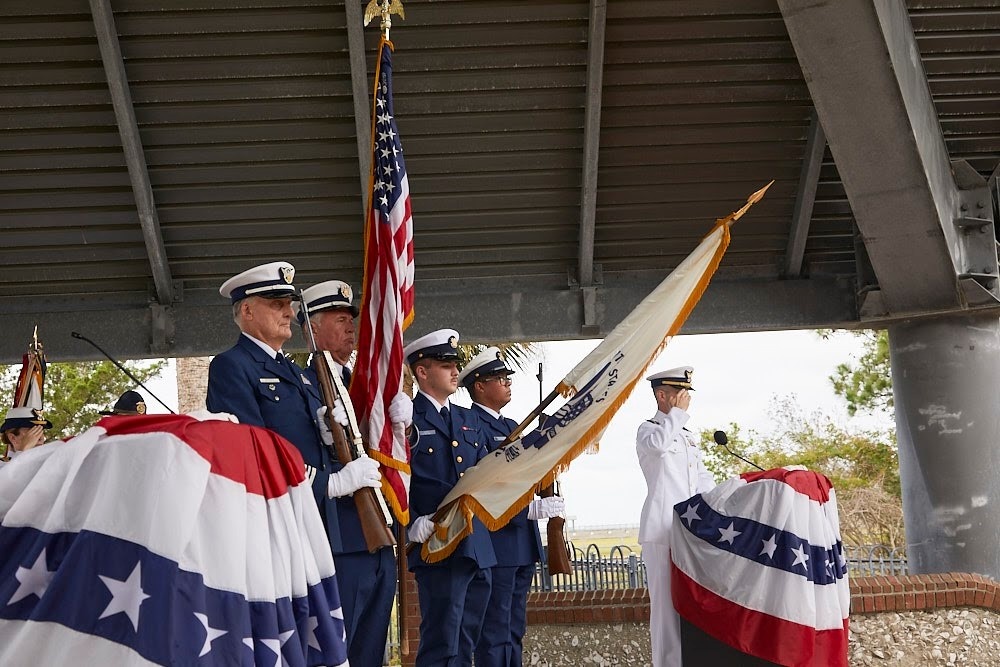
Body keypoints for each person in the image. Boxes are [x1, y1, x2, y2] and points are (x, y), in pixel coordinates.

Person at [205, 262, 381, 585]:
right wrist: (327, 484)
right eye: (276, 304)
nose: (288, 312)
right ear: (247, 310)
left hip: (317, 525)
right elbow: (253, 451)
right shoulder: (231, 366)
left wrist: (329, 433)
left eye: (288, 303)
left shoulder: (296, 373)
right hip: (280, 527)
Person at [297, 279, 411, 667]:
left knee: (370, 651)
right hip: (340, 538)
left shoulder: (363, 385)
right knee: (335, 653)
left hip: (377, 535)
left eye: (350, 319)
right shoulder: (303, 387)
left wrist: (402, 429)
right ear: (312, 327)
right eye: (338, 318)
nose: (350, 327)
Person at [461, 347, 563, 667]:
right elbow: (484, 485)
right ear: (479, 386)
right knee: (494, 629)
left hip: (521, 544)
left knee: (514, 627)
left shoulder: (512, 426)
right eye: (500, 378)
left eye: (507, 378)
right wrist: (528, 509)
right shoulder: (471, 426)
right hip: (498, 541)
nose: (507, 383)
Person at [404, 329, 496, 667]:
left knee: (467, 639)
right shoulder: (407, 419)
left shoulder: (468, 418)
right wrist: (410, 523)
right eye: (445, 364)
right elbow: (396, 480)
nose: (455, 370)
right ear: (422, 372)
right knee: (441, 639)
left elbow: (487, 471)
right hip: (436, 542)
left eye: (455, 363)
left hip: (476, 542)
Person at [636, 366, 716, 667]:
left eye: (687, 395)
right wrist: (677, 415)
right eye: (680, 394)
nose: (686, 400)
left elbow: (702, 480)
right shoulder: (649, 430)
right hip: (662, 531)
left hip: (690, 531)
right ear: (661, 395)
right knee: (666, 609)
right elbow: (657, 448)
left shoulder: (686, 435)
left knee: (689, 606)